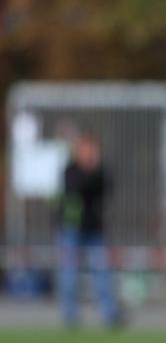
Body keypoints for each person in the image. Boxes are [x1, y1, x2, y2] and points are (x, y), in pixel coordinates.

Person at [57, 131, 122, 329]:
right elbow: (75, 189)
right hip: (71, 229)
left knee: (103, 272)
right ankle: (70, 315)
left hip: (95, 230)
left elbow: (107, 190)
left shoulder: (100, 171)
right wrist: (88, 171)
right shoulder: (71, 171)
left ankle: (108, 314)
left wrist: (95, 170)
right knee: (69, 274)